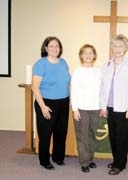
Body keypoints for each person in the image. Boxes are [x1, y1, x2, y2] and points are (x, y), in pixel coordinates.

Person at [100, 34, 128, 175]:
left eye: (120, 46)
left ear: (125, 48)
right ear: (112, 48)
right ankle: (117, 160)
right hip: (110, 107)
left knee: (122, 137)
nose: (117, 49)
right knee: (113, 136)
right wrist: (103, 106)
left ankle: (120, 165)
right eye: (115, 46)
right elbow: (103, 88)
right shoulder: (107, 65)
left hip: (123, 108)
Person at [31, 36, 71, 170]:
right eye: (52, 46)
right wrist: (42, 106)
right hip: (46, 102)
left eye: (57, 46)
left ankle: (58, 157)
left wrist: (71, 100)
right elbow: (34, 87)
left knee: (61, 132)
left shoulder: (63, 62)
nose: (55, 48)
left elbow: (67, 83)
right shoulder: (40, 64)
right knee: (46, 133)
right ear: (46, 48)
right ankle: (44, 160)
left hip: (63, 102)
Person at [71, 44, 101, 173]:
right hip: (81, 108)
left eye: (90, 53)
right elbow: (74, 91)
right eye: (85, 53)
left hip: (95, 108)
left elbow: (101, 91)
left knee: (92, 135)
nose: (88, 55)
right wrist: (75, 109)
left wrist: (102, 107)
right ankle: (84, 162)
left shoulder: (98, 71)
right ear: (81, 56)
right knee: (82, 136)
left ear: (94, 55)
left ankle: (90, 158)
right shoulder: (78, 71)